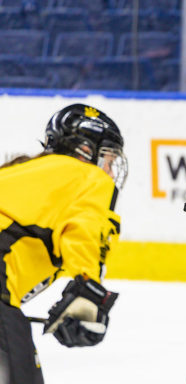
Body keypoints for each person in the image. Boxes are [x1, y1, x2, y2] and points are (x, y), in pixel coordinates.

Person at [0, 104, 128, 384]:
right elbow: (85, 229)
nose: (109, 169)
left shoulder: (26, 173)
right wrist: (87, 286)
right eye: (107, 157)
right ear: (85, 150)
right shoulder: (85, 177)